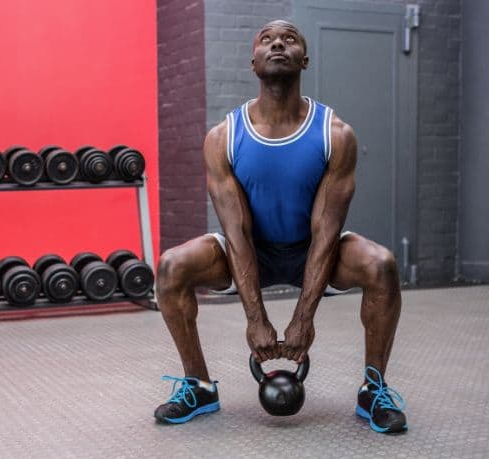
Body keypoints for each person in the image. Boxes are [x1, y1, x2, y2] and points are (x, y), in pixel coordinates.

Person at [153, 20, 407, 433]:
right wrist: (256, 319)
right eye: (267, 40)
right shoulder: (223, 137)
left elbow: (326, 231)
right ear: (253, 62)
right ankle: (198, 385)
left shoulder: (335, 134)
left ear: (304, 59)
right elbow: (235, 233)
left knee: (381, 265)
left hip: (312, 248)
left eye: (289, 39)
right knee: (171, 266)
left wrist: (304, 318)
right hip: (251, 249)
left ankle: (373, 389)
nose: (277, 44)